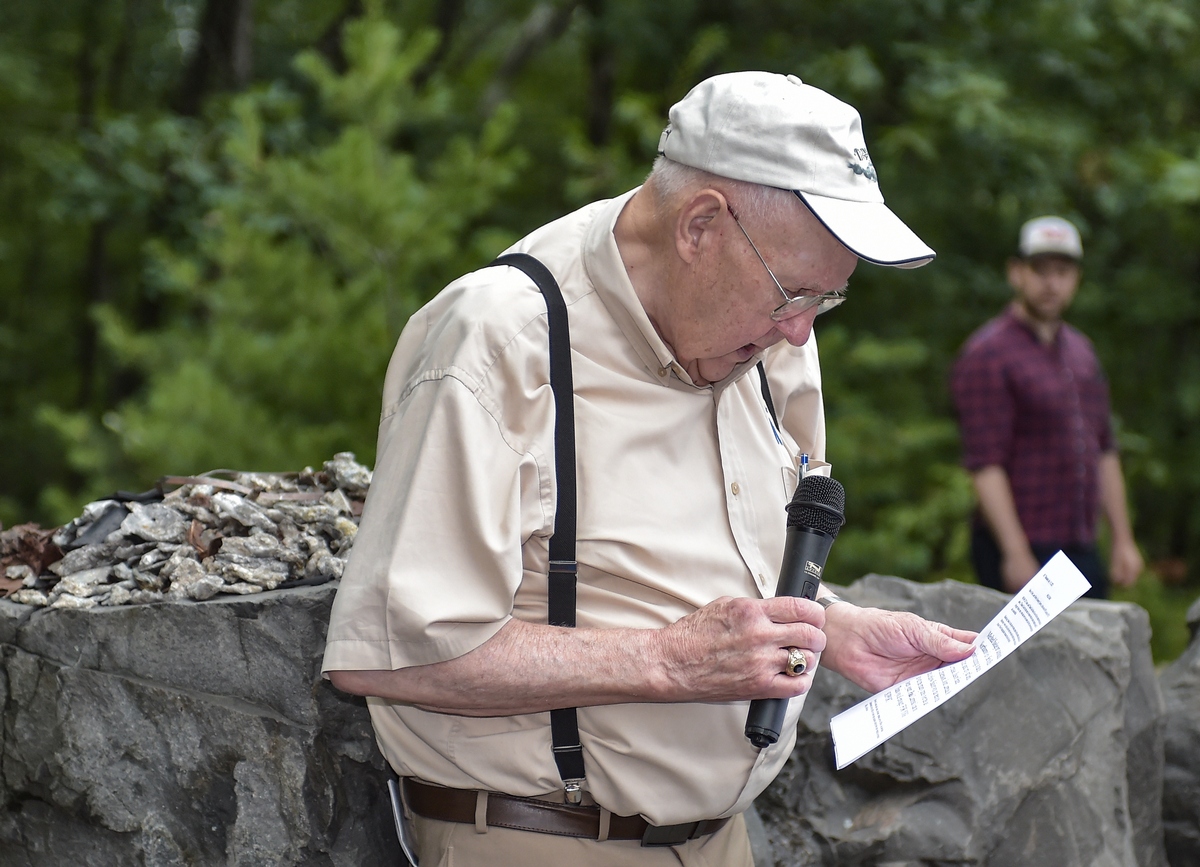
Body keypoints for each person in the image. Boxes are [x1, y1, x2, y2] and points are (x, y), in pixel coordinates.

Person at [323, 71, 977, 867]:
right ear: (700, 225)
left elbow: (698, 565)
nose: (802, 333)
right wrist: (665, 661)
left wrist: (833, 628)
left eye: (829, 300)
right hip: (540, 837)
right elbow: (390, 651)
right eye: (793, 293)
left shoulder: (766, 344)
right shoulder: (501, 341)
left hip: (724, 840)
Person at [951, 216, 1143, 599]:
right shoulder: (987, 354)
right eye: (1040, 270)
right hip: (1023, 547)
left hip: (1080, 545)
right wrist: (1015, 553)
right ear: (1016, 273)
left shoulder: (1082, 352)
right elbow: (985, 463)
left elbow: (1104, 449)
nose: (1051, 283)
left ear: (1076, 278)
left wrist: (1123, 539)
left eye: (1063, 271)